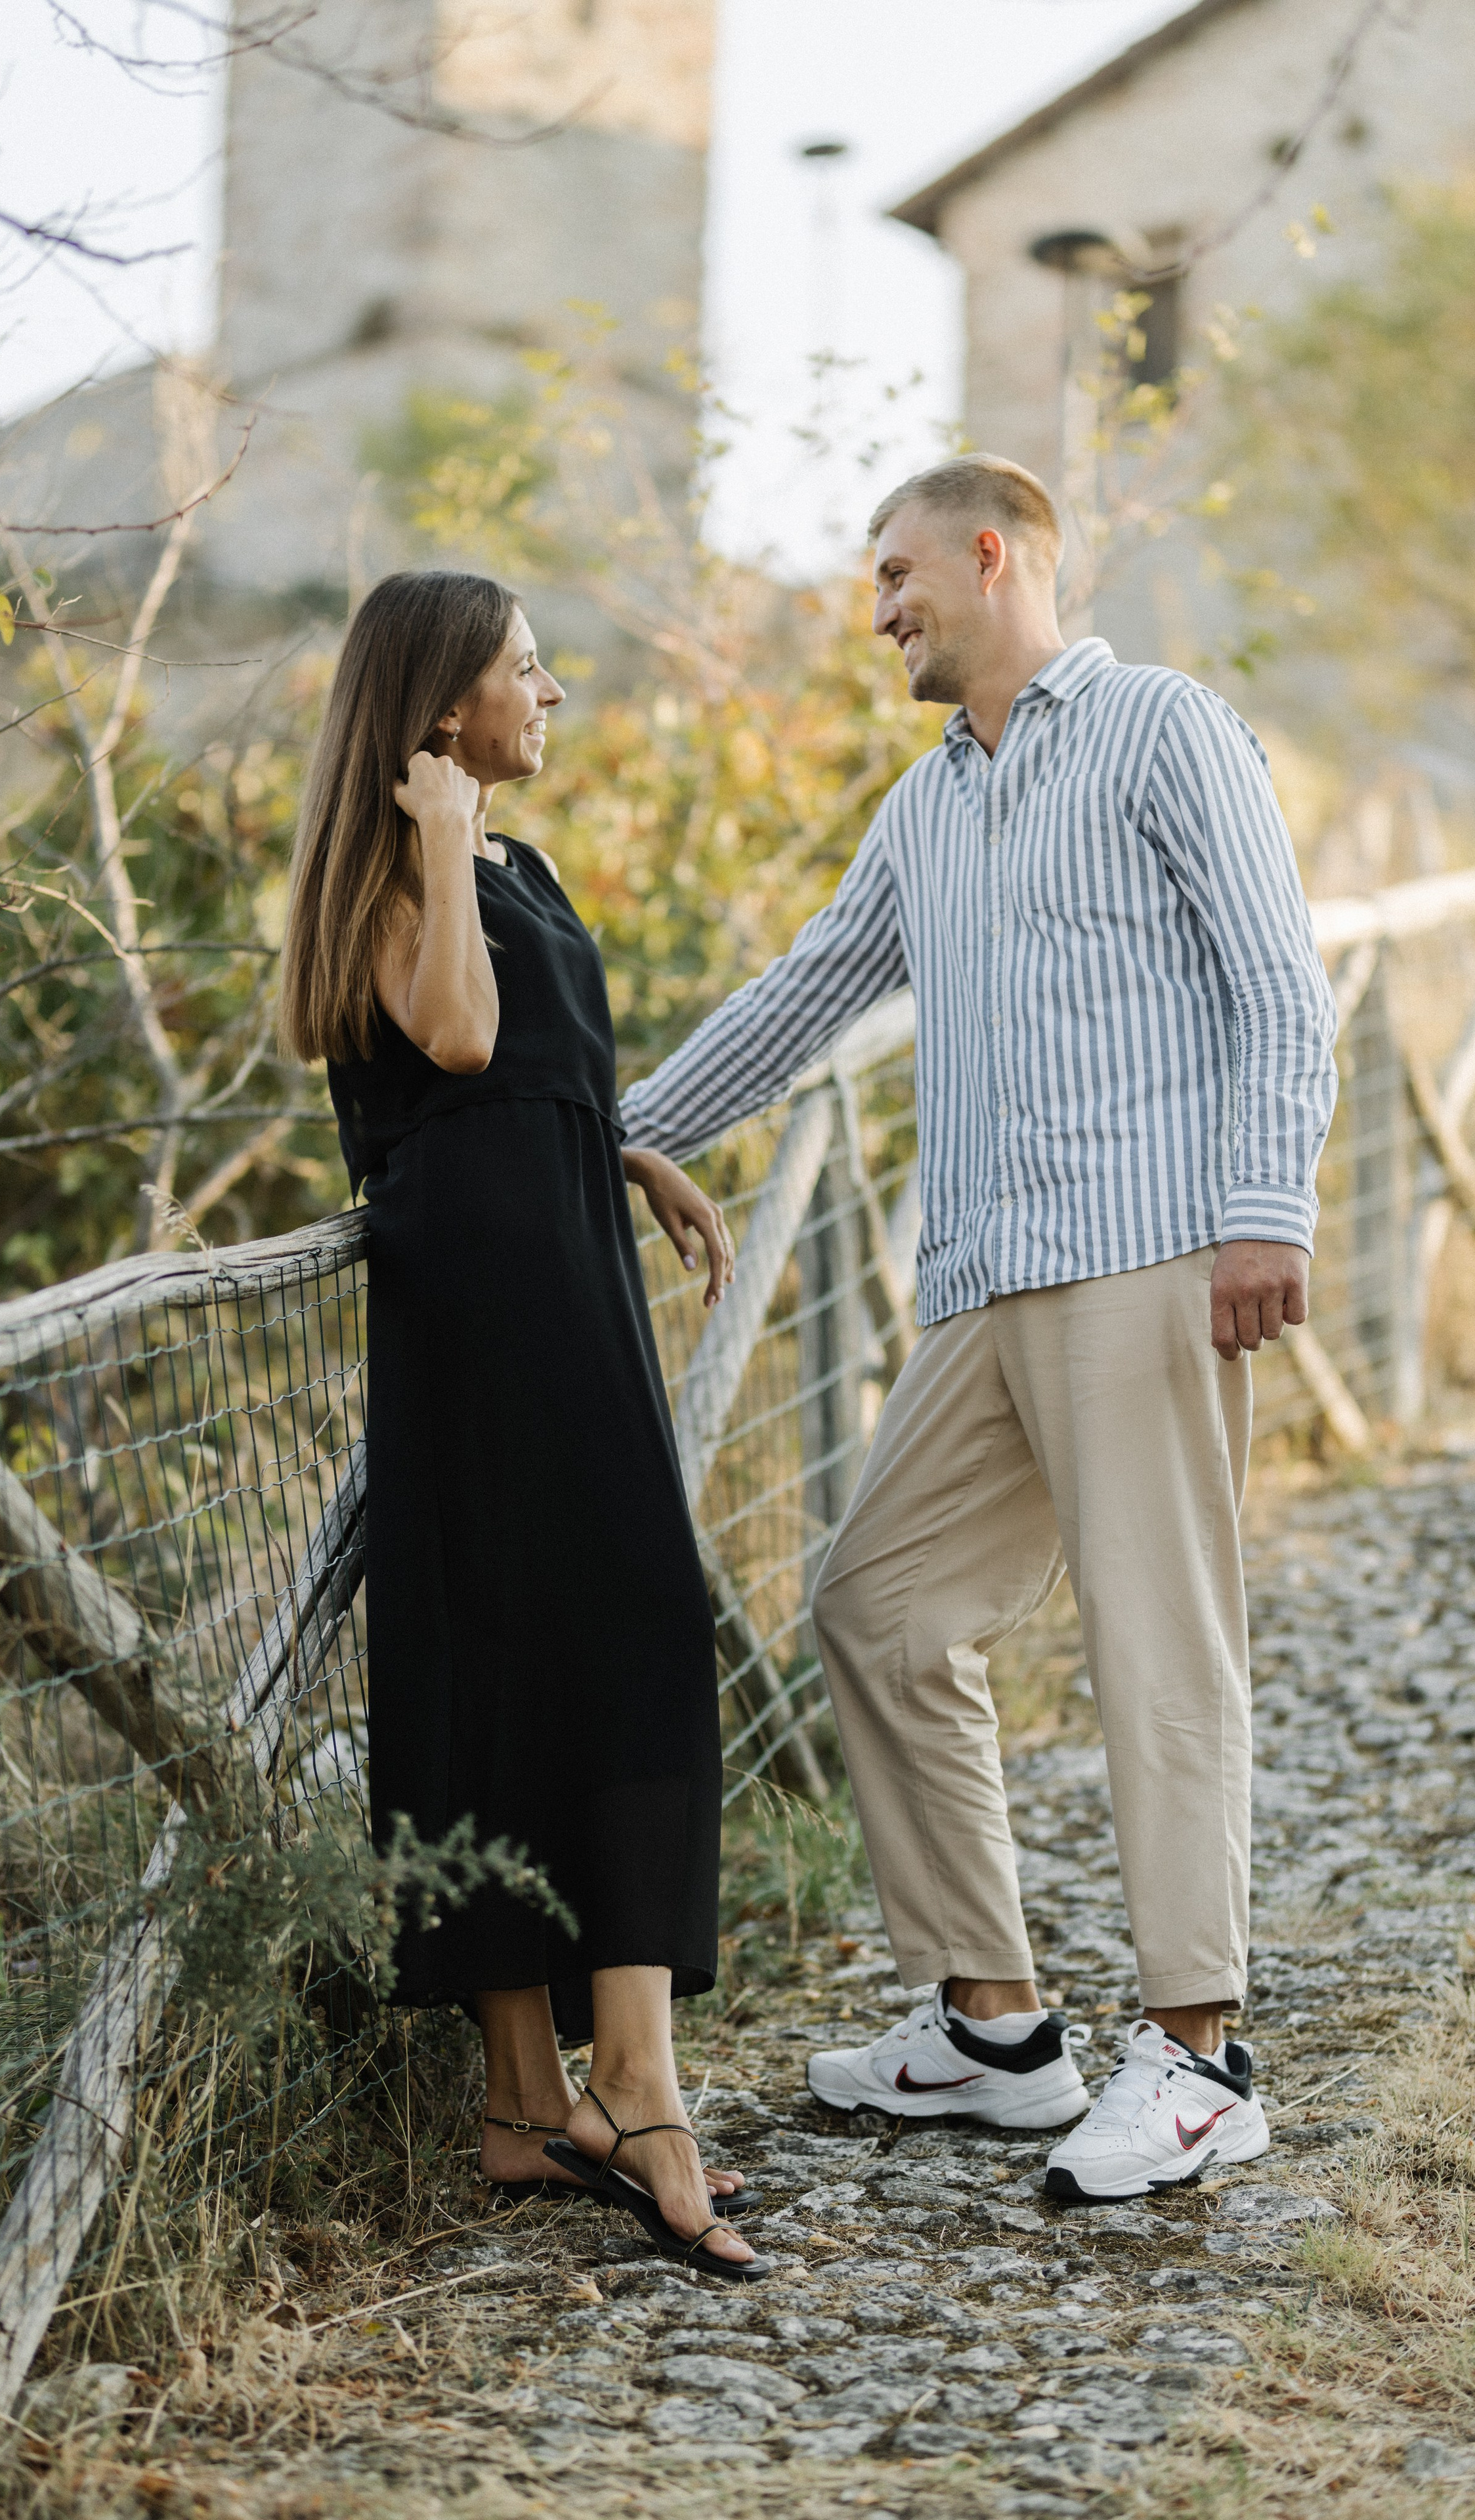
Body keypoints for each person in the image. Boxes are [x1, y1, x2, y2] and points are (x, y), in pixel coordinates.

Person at [618, 456, 1339, 2202]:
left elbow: (1277, 980)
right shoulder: (924, 807)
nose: (877, 613)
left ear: (992, 553)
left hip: (1152, 1250)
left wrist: (1265, 1208)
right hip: (984, 1281)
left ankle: (1196, 2060)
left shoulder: (1166, 729)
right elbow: (807, 988)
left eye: (892, 576)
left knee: (1158, 1638)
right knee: (873, 1602)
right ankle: (1003, 2028)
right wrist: (607, 1133)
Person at [279, 569, 767, 2277]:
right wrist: (429, 822)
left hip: (561, 1263)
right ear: (434, 714)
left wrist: (622, 1149)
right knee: (587, 1644)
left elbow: (531, 1070)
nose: (551, 692)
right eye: (520, 672)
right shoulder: (402, 874)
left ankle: (518, 2101)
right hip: (485, 1305)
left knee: (566, 1645)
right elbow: (459, 1037)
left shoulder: (515, 866)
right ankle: (632, 2088)